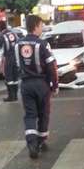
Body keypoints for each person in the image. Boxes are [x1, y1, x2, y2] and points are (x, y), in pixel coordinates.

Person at [15, 15, 59, 159]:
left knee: (30, 115)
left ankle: (31, 144)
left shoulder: (18, 44)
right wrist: (54, 85)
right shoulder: (42, 44)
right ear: (35, 26)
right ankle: (40, 140)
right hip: (41, 84)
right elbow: (51, 66)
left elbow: (17, 66)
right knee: (43, 113)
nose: (42, 28)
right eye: (41, 25)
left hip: (26, 84)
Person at [0, 20, 19, 102]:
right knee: (15, 77)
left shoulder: (2, 35)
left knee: (9, 77)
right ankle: (15, 96)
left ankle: (10, 96)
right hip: (16, 57)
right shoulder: (13, 33)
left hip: (8, 58)